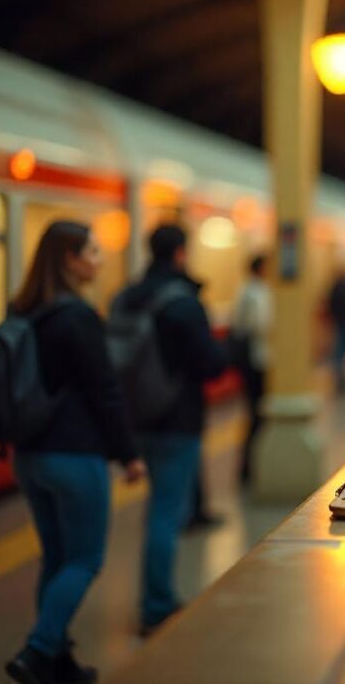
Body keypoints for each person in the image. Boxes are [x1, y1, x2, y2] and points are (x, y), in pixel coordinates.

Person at [5, 221, 145, 684]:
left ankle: (58, 661)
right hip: (75, 455)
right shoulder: (79, 318)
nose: (99, 260)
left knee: (57, 558)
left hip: (30, 457)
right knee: (85, 560)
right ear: (70, 259)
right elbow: (105, 391)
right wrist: (128, 454)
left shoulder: (22, 312)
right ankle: (38, 651)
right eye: (93, 251)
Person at [120, 225, 227, 636]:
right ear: (181, 253)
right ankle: (156, 605)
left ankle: (153, 596)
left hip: (136, 417)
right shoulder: (182, 301)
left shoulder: (126, 296)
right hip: (176, 419)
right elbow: (211, 363)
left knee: (156, 509)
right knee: (167, 512)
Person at [229, 255, 272, 483]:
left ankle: (249, 464)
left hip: (250, 360)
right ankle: (250, 466)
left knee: (253, 412)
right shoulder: (257, 293)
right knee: (257, 413)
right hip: (258, 359)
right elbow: (261, 324)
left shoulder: (244, 291)